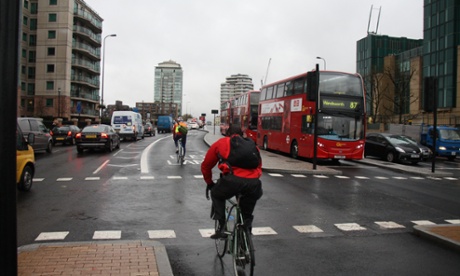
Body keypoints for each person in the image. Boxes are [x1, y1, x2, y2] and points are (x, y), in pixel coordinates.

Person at [201, 125, 263, 239]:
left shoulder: (222, 142)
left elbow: (206, 165)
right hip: (253, 184)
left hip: (232, 181)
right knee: (246, 212)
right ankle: (246, 230)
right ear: (242, 134)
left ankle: (222, 227)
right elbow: (259, 165)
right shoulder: (251, 145)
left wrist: (209, 183)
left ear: (227, 133)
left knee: (216, 194)